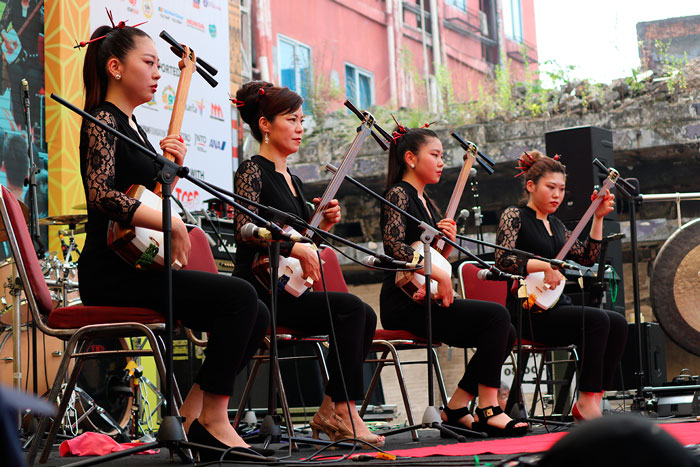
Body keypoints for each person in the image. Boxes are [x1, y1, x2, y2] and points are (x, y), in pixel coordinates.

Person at [77, 23, 269, 460]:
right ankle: (215, 421)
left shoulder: (131, 126)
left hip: (139, 264)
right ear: (114, 67)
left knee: (256, 313)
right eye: (148, 63)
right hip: (111, 271)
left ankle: (191, 419)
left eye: (159, 65)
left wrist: (168, 169)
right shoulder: (103, 119)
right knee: (240, 297)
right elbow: (103, 195)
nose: (157, 72)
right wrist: (175, 226)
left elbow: (145, 201)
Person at [232, 80, 384, 448]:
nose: (301, 128)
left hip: (290, 288)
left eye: (302, 120)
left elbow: (306, 247)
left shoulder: (295, 181)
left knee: (364, 314)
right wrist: (294, 239)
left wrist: (323, 224)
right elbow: (244, 229)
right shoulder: (252, 171)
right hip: (261, 289)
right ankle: (343, 410)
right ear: (265, 124)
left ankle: (331, 406)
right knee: (350, 309)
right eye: (292, 119)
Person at [379, 126, 527, 438]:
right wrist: (442, 272)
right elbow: (395, 247)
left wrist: (447, 243)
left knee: (507, 330)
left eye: (442, 156)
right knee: (497, 317)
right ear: (410, 158)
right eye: (435, 155)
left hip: (426, 296)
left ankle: (457, 407)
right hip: (403, 301)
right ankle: (489, 408)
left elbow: (433, 255)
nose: (441, 161)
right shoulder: (398, 193)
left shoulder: (427, 202)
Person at [495, 150, 628, 421]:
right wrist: (545, 266)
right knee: (598, 320)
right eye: (550, 187)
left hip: (557, 306)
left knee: (617, 322)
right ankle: (586, 403)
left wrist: (599, 217)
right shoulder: (515, 216)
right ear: (531, 186)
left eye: (562, 189)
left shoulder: (556, 225)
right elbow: (503, 259)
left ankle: (593, 398)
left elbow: (588, 255)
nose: (557, 194)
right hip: (529, 311)